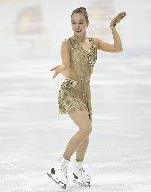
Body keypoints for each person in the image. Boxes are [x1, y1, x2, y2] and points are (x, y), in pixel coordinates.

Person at [48, 7, 126, 189]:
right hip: (70, 91)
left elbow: (118, 48)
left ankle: (77, 168)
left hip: (85, 92)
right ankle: (60, 166)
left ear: (87, 24)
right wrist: (62, 68)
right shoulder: (66, 44)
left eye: (80, 22)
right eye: (73, 22)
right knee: (86, 128)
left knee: (86, 134)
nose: (77, 26)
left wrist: (113, 27)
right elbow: (67, 66)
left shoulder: (94, 43)